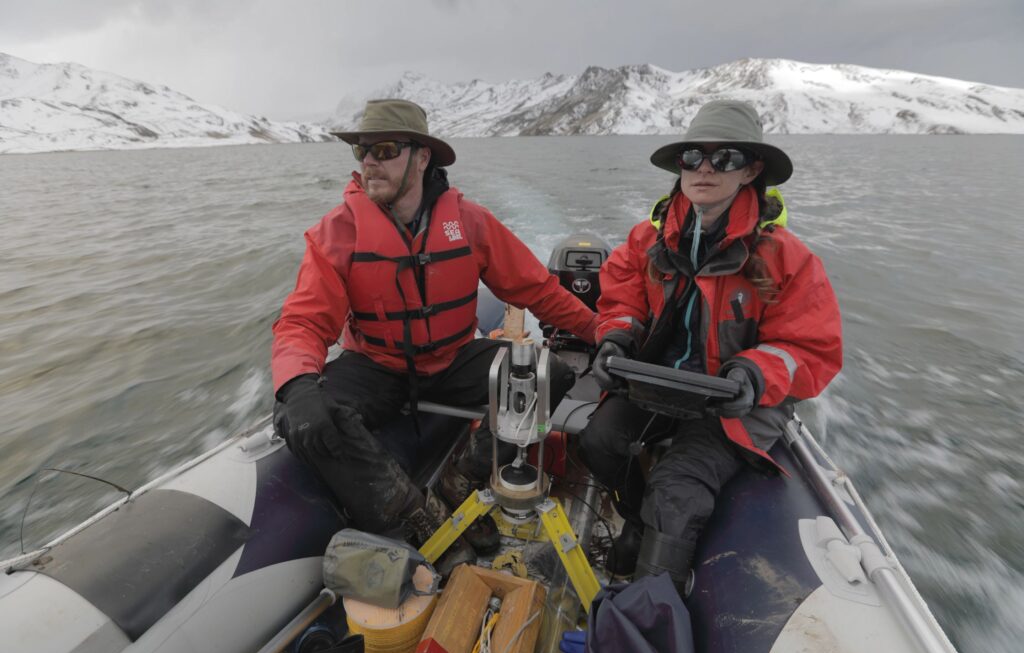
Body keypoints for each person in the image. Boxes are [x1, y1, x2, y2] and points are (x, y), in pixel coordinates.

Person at [271, 99, 597, 562]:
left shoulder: (468, 222)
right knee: (302, 414)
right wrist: (297, 383)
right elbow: (303, 320)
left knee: (549, 372)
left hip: (453, 358)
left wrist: (597, 330)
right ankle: (416, 517)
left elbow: (535, 288)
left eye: (383, 149)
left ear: (422, 158)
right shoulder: (338, 233)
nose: (369, 162)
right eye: (362, 151)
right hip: (375, 365)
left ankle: (459, 480)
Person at [579, 100, 842, 592]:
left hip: (734, 401)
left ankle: (648, 617)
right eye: (692, 157)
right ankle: (636, 523)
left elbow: (810, 347)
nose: (704, 169)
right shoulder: (649, 239)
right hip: (658, 381)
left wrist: (755, 374)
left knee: (676, 492)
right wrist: (617, 335)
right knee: (597, 442)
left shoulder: (787, 257)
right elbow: (621, 295)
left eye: (723, 159)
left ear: (751, 170)